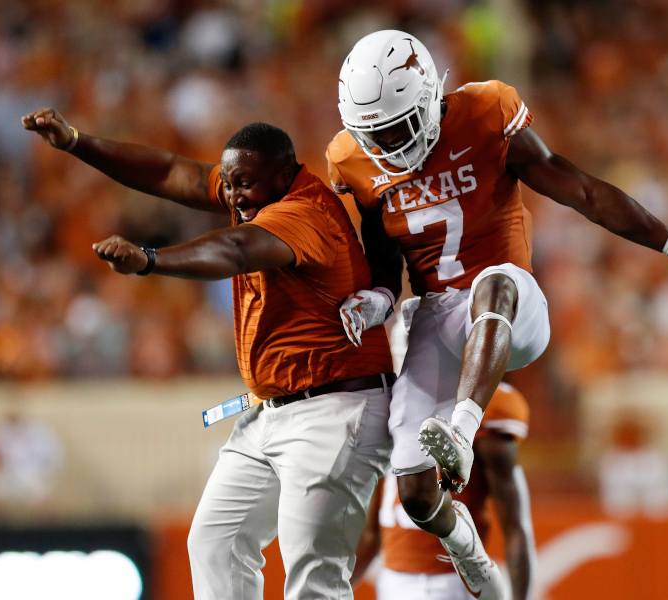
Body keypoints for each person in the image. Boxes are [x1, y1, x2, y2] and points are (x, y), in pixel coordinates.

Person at [329, 30, 668, 600]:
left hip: (512, 304)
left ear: (430, 97)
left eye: (397, 127)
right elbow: (385, 259)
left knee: (495, 283)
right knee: (413, 495)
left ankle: (460, 430)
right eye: (374, 133)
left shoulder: (486, 114)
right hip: (434, 314)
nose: (386, 146)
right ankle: (467, 552)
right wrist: (377, 299)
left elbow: (580, 189)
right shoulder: (352, 160)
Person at [22, 112, 396, 600]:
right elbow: (171, 173)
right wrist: (76, 142)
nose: (234, 196)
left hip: (337, 409)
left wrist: (152, 260)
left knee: (312, 579)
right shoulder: (262, 187)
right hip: (276, 409)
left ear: (286, 176)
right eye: (231, 183)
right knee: (217, 542)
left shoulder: (306, 214)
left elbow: (237, 251)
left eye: (246, 185)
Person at [352, 382, 534, 600]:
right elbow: (371, 534)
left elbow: (516, 527)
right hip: (392, 578)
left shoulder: (490, 406)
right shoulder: (394, 394)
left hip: (456, 578)